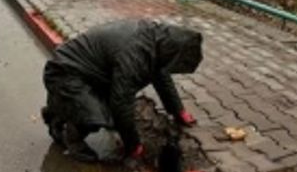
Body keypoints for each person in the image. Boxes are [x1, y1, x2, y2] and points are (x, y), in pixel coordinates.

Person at [41, 19, 203, 162]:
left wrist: (178, 110)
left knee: (106, 107)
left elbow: (161, 76)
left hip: (88, 75)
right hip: (63, 74)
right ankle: (72, 137)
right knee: (104, 115)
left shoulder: (156, 40)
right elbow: (121, 102)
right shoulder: (134, 54)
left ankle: (57, 112)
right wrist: (133, 144)